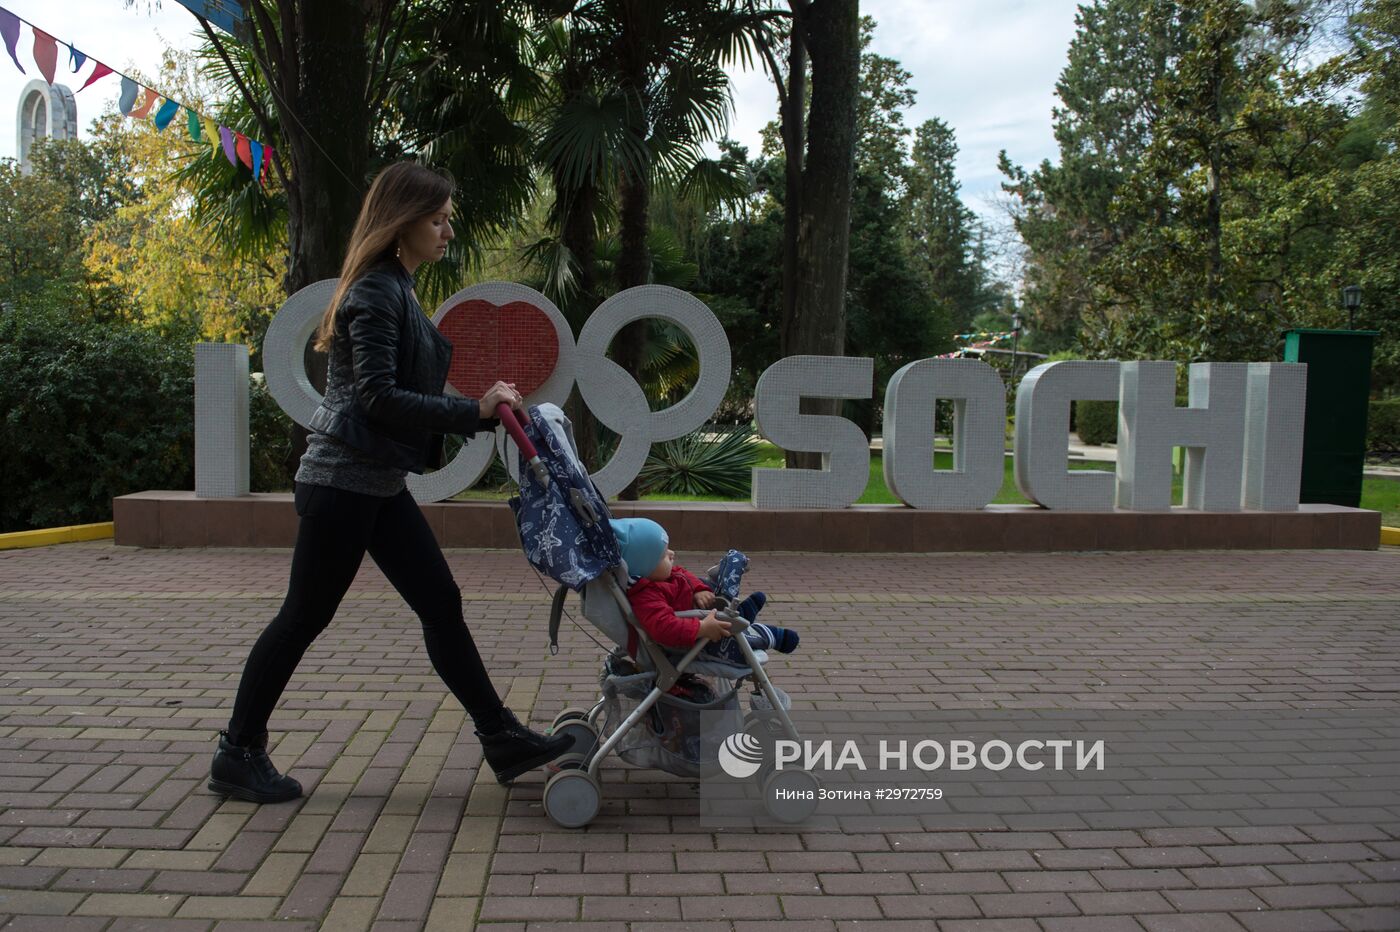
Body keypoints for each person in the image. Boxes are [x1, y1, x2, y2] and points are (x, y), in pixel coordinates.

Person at [210, 161, 572, 804]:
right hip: (345, 484)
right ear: (403, 224)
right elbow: (378, 398)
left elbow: (390, 394)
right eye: (438, 220)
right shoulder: (376, 291)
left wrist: (477, 410)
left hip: (372, 484)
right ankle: (237, 752)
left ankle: (500, 737)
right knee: (303, 617)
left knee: (439, 601)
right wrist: (474, 411)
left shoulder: (396, 286)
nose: (448, 231)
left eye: (447, 219)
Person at [610, 518, 799, 666]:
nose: (672, 554)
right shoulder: (646, 596)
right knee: (746, 640)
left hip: (704, 607)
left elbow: (684, 574)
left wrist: (698, 590)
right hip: (700, 636)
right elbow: (663, 627)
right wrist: (701, 628)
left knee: (735, 558)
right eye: (663, 555)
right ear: (645, 567)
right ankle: (770, 635)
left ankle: (734, 609)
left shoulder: (663, 575)